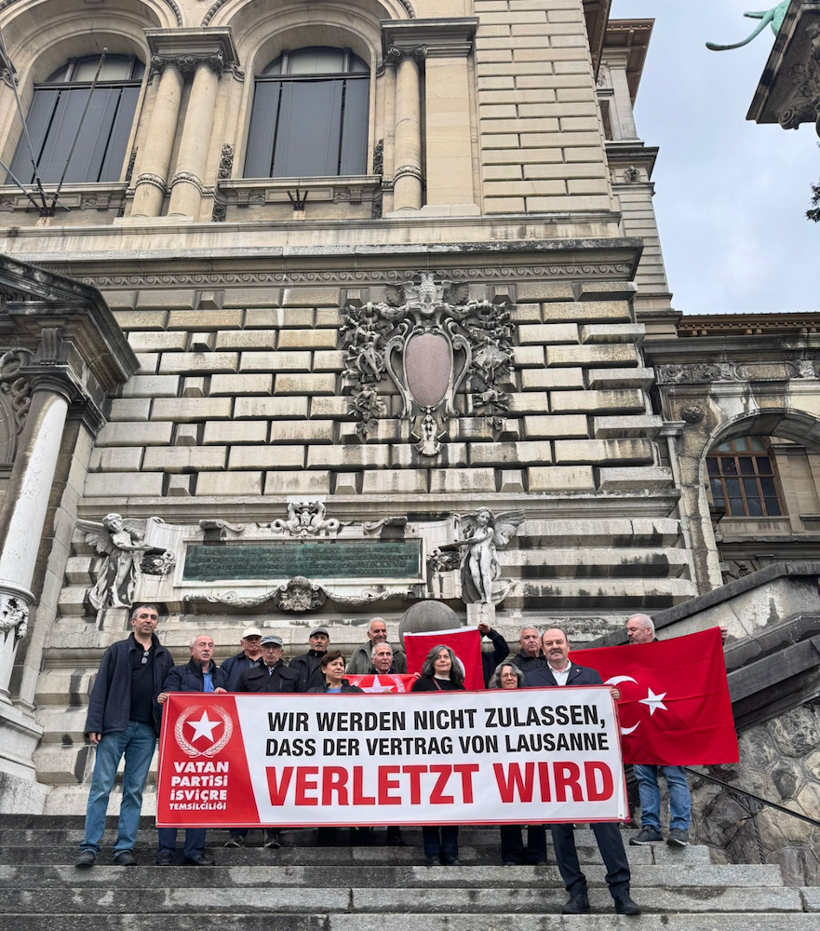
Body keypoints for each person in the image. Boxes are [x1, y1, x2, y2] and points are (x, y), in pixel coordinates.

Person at [524, 629, 640, 916]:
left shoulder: (590, 676)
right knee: (561, 832)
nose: (554, 647)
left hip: (589, 766)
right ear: (542, 648)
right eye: (548, 643)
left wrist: (609, 697)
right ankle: (576, 893)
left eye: (558, 642)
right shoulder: (532, 680)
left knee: (606, 829)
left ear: (568, 645)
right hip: (552, 767)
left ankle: (621, 893)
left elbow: (600, 715)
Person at [75, 604, 174, 868]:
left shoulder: (164, 656)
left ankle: (124, 849)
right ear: (133, 622)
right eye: (144, 616)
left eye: (153, 617)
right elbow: (100, 688)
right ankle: (90, 847)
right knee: (101, 788)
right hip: (114, 727)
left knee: (134, 791)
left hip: (145, 731)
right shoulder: (117, 650)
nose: (148, 621)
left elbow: (172, 690)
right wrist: (94, 723)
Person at [624, 613, 726, 848]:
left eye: (633, 629)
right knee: (644, 778)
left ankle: (680, 828)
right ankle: (651, 828)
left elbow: (696, 658)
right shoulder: (626, 655)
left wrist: (716, 640)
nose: (628, 633)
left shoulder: (671, 650)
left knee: (674, 776)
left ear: (648, 631)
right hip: (642, 729)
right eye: (628, 630)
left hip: (669, 728)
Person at [155, 633, 227, 866]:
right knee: (174, 794)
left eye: (210, 645)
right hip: (178, 745)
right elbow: (172, 697)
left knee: (202, 796)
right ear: (191, 650)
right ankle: (166, 851)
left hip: (213, 747)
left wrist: (225, 697)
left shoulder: (222, 676)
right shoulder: (177, 673)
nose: (207, 648)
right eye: (202, 645)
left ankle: (194, 851)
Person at [229, 634, 298, 849]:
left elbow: (303, 707)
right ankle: (238, 833)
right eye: (266, 647)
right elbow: (234, 703)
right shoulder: (247, 675)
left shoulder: (293, 675)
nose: (270, 652)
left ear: (281, 652)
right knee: (246, 784)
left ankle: (272, 833)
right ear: (260, 650)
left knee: (274, 786)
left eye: (274, 648)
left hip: (280, 741)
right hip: (252, 739)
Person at [487, 662, 546, 866]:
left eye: (513, 674)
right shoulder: (489, 703)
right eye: (505, 675)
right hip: (503, 763)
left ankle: (537, 854)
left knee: (536, 809)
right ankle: (512, 854)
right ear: (499, 680)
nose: (510, 678)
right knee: (508, 809)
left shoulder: (531, 700)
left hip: (530, 761)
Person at [412, 645, 465, 866]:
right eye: (439, 657)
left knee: (453, 805)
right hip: (428, 755)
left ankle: (450, 851)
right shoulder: (421, 685)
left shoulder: (460, 689)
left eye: (446, 657)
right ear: (431, 662)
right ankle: (432, 852)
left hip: (453, 756)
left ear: (452, 661)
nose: (443, 660)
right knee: (430, 805)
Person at [308, 651, 364, 846]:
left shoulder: (356, 693)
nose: (339, 667)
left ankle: (358, 837)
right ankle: (326, 838)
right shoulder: (312, 693)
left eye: (341, 664)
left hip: (351, 755)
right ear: (324, 669)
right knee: (327, 797)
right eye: (334, 664)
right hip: (323, 756)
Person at [220, 627, 263, 691]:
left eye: (257, 639)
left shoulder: (269, 663)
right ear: (242, 643)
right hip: (236, 700)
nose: (254, 641)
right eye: (250, 639)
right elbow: (221, 685)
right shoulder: (229, 664)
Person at [290, 626, 331, 691]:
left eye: (322, 638)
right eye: (316, 638)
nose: (319, 641)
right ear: (310, 641)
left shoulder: (332, 662)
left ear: (328, 642)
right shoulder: (296, 662)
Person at [479, 622, 510, 687]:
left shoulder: (489, 658)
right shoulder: (463, 660)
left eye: (479, 640)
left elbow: (504, 650)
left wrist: (490, 632)